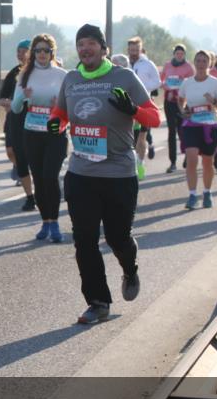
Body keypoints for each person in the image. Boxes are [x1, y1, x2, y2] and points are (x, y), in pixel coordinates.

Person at [48, 24, 161, 324]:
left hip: (119, 174)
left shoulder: (123, 77)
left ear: (102, 47)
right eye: (80, 44)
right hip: (81, 173)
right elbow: (59, 116)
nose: (85, 49)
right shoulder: (71, 79)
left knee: (117, 237)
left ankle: (130, 268)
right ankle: (98, 302)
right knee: (84, 239)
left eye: (90, 44)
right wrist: (54, 125)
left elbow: (155, 117)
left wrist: (133, 109)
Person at [13, 34, 69, 241]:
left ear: (52, 53)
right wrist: (23, 96)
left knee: (50, 176)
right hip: (32, 131)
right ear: (33, 53)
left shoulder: (62, 75)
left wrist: (59, 106)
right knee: (38, 177)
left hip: (55, 132)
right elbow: (16, 108)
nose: (42, 54)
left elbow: (70, 107)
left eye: (46, 50)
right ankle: (45, 222)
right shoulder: (26, 74)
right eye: (38, 50)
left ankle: (55, 223)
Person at [178, 51, 217, 209]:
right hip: (192, 126)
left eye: (204, 61)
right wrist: (183, 110)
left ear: (209, 64)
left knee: (208, 162)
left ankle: (207, 192)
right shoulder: (187, 83)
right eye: (198, 61)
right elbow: (180, 99)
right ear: (194, 63)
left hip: (210, 126)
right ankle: (192, 195)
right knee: (191, 159)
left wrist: (212, 101)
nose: (200, 64)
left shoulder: (215, 83)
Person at [0, 40, 36, 205]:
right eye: (18, 51)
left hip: (35, 120)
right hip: (14, 119)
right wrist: (11, 103)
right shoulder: (14, 73)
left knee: (33, 157)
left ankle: (31, 196)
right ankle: (21, 170)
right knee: (10, 151)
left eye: (23, 50)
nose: (19, 54)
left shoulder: (40, 72)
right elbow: (2, 97)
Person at [126, 37, 162, 179]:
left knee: (141, 138)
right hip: (126, 106)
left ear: (140, 49)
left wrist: (142, 89)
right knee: (128, 138)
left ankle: (140, 163)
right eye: (131, 50)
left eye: (136, 50)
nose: (134, 52)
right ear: (127, 50)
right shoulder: (123, 63)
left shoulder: (148, 64)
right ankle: (129, 163)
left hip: (143, 105)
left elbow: (157, 81)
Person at [160, 44, 194, 173]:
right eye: (177, 53)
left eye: (182, 54)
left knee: (182, 130)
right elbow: (161, 80)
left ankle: (186, 156)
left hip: (182, 102)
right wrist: (166, 86)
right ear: (174, 54)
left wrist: (181, 85)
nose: (179, 56)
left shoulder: (188, 67)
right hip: (169, 101)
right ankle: (172, 162)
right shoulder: (168, 65)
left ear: (184, 55)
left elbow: (192, 83)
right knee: (171, 132)